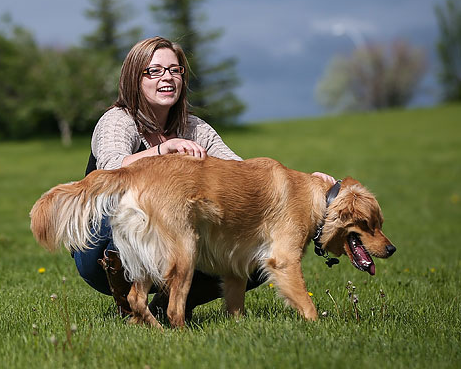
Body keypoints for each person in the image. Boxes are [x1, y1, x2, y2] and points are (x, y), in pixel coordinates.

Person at [74, 36, 335, 321]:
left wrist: (309, 185)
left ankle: (165, 306)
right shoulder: (118, 120)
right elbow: (110, 168)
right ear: (134, 79)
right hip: (100, 240)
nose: (167, 77)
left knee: (253, 250)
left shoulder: (195, 128)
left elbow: (241, 172)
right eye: (155, 70)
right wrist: (164, 150)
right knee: (138, 215)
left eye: (175, 70)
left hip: (171, 235)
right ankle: (129, 305)